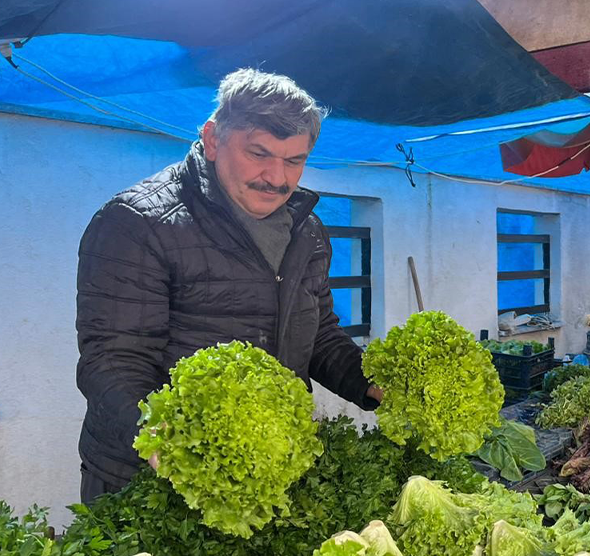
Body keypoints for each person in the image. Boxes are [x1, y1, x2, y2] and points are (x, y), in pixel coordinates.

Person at [76, 68, 383, 502]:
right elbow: (112, 359)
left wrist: (368, 381)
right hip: (151, 479)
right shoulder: (137, 224)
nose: (277, 177)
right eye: (259, 153)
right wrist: (163, 438)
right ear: (213, 139)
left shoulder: (307, 230)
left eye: (294, 161)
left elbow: (317, 335)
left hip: (267, 472)